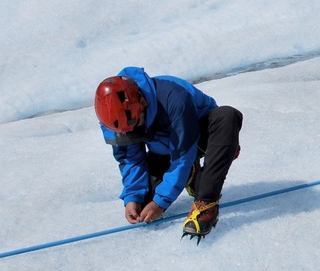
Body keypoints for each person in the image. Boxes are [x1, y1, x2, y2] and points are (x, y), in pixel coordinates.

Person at [94, 67, 242, 243]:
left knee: (227, 116)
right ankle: (190, 174)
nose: (134, 131)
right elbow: (131, 158)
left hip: (198, 139)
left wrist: (161, 202)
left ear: (141, 102)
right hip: (164, 151)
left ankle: (206, 203)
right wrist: (132, 197)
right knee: (143, 206)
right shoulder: (112, 117)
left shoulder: (174, 98)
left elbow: (182, 156)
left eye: (137, 124)